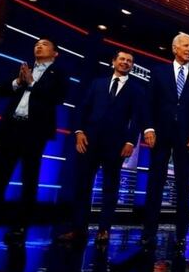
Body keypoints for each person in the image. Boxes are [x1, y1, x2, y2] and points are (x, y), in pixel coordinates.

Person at [0, 37, 69, 245]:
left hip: (34, 132)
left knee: (28, 180)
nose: (38, 46)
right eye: (36, 44)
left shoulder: (58, 74)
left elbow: (57, 98)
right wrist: (19, 82)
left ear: (55, 53)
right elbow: (0, 90)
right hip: (10, 128)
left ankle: (20, 226)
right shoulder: (23, 69)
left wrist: (32, 83)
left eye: (44, 44)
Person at [57, 51, 144, 244]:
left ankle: (104, 229)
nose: (125, 62)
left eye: (129, 61)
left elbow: (137, 119)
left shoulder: (136, 90)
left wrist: (131, 142)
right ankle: (78, 228)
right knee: (82, 186)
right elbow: (83, 108)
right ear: (113, 61)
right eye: (121, 59)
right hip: (89, 141)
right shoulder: (97, 83)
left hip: (116, 145)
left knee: (110, 188)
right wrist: (79, 132)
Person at [142, 32, 189, 250]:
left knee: (184, 185)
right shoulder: (159, 72)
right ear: (175, 48)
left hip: (186, 137)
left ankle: (181, 235)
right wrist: (149, 127)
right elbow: (149, 102)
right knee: (155, 183)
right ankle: (148, 232)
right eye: (186, 46)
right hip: (160, 133)